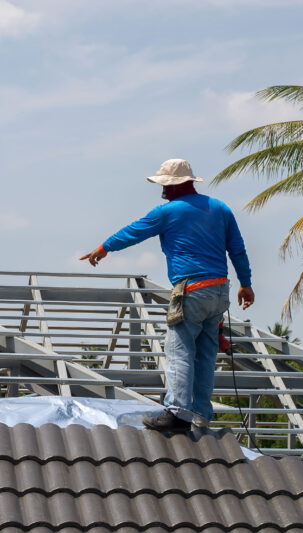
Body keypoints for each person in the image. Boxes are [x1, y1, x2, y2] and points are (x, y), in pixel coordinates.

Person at [81, 159, 254, 433]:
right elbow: (237, 249)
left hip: (191, 290)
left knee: (179, 350)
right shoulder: (220, 209)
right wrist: (246, 283)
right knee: (206, 353)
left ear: (173, 185)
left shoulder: (168, 211)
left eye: (164, 184)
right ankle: (201, 414)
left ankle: (177, 413)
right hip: (220, 290)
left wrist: (104, 248)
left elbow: (134, 231)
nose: (162, 188)